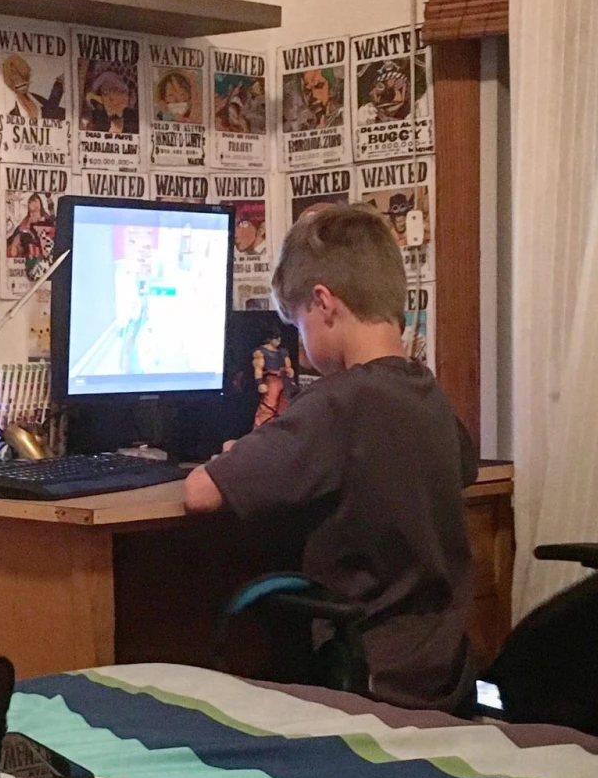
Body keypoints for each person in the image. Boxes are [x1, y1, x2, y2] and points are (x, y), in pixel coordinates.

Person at [184, 203, 476, 710]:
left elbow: (200, 493)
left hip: (363, 676)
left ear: (323, 303)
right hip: (439, 673)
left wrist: (244, 453)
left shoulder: (338, 403)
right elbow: (461, 465)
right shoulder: (427, 393)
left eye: (299, 325)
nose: (302, 345)